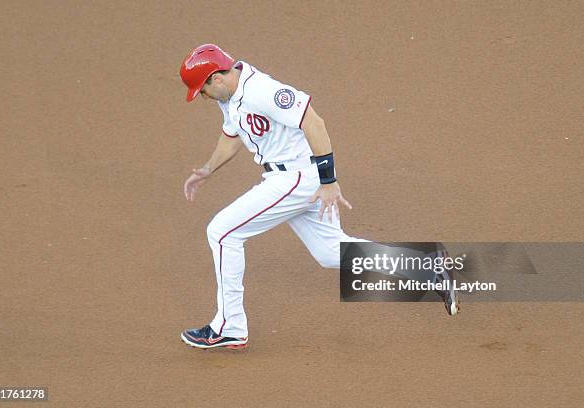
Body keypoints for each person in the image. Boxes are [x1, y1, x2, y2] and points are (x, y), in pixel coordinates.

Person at [179, 44, 458, 350]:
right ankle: (426, 267)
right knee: (329, 252)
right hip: (289, 177)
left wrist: (329, 181)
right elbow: (231, 136)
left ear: (215, 79)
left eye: (201, 91)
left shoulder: (262, 91)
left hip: (297, 178)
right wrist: (208, 169)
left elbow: (314, 122)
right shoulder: (230, 98)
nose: (202, 98)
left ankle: (229, 326)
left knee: (222, 232)